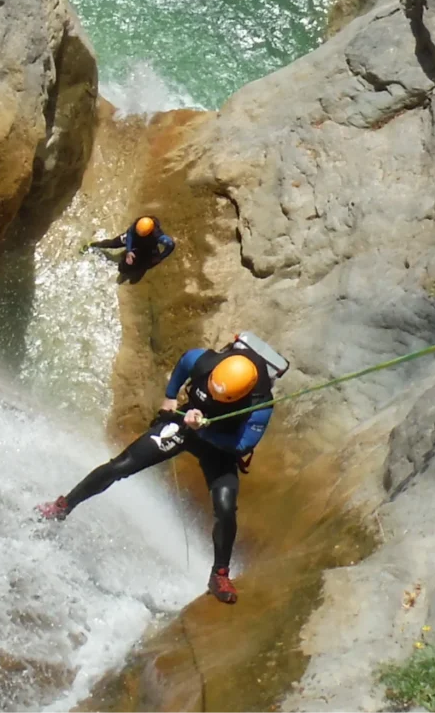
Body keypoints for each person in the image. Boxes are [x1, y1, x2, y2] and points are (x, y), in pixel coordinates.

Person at [36, 332, 289, 604]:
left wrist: (204, 430)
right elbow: (183, 363)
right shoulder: (204, 361)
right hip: (184, 424)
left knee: (226, 508)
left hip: (220, 446)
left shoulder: (260, 404)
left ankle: (219, 574)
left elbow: (241, 445)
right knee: (122, 465)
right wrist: (170, 397)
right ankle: (63, 506)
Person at [89, 215, 176, 283]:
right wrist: (129, 251)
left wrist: (161, 257)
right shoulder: (138, 224)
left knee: (142, 265)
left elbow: (170, 245)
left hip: (147, 246)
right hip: (133, 240)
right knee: (112, 243)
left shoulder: (158, 236)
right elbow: (130, 233)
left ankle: (128, 271)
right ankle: (92, 245)